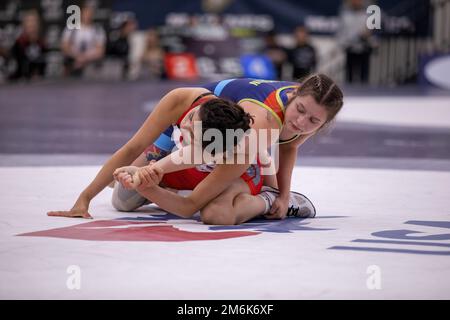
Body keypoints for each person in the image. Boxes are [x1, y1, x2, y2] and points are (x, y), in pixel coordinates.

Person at [47, 74, 344, 226]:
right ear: (294, 94)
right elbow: (135, 146)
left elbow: (288, 148)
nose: (301, 122)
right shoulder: (182, 103)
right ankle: (181, 179)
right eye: (301, 111)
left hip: (234, 145)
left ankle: (266, 200)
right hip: (214, 129)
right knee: (122, 197)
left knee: (215, 214)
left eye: (313, 121)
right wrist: (83, 199)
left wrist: (279, 196)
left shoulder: (258, 133)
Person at [61, 3, 106, 77]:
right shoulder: (71, 28)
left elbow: (100, 51)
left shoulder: (98, 30)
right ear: (81, 13)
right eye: (85, 13)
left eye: (89, 13)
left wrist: (85, 58)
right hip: (73, 63)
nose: (87, 15)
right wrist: (77, 57)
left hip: (91, 65)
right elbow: (65, 47)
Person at [9, 10, 47, 81]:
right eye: (29, 21)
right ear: (24, 25)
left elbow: (43, 65)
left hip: (39, 84)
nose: (32, 25)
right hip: (19, 83)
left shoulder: (42, 43)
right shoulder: (19, 43)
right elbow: (17, 67)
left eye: (34, 21)